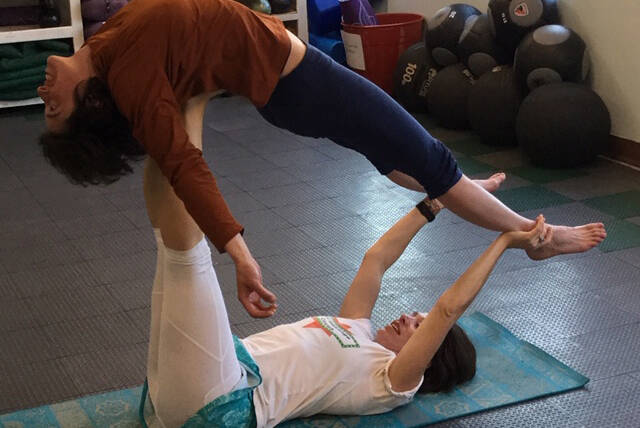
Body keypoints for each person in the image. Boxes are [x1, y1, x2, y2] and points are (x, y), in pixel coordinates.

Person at [36, 0, 606, 318]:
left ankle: (459, 193)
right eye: (52, 111)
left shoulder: (106, 44)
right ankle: (538, 238)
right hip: (301, 83)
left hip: (292, 88)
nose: (43, 96)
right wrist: (239, 252)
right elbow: (185, 164)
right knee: (426, 153)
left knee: (391, 148)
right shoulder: (127, 77)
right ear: (86, 109)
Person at [142, 143, 551, 427]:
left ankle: (182, 101)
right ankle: (170, 119)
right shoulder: (358, 327)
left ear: (428, 357)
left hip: (224, 402)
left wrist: (505, 239)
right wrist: (437, 201)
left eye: (418, 326)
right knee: (168, 234)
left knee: (185, 251)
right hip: (188, 390)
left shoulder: (393, 380)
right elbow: (376, 259)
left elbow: (448, 310)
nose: (409, 316)